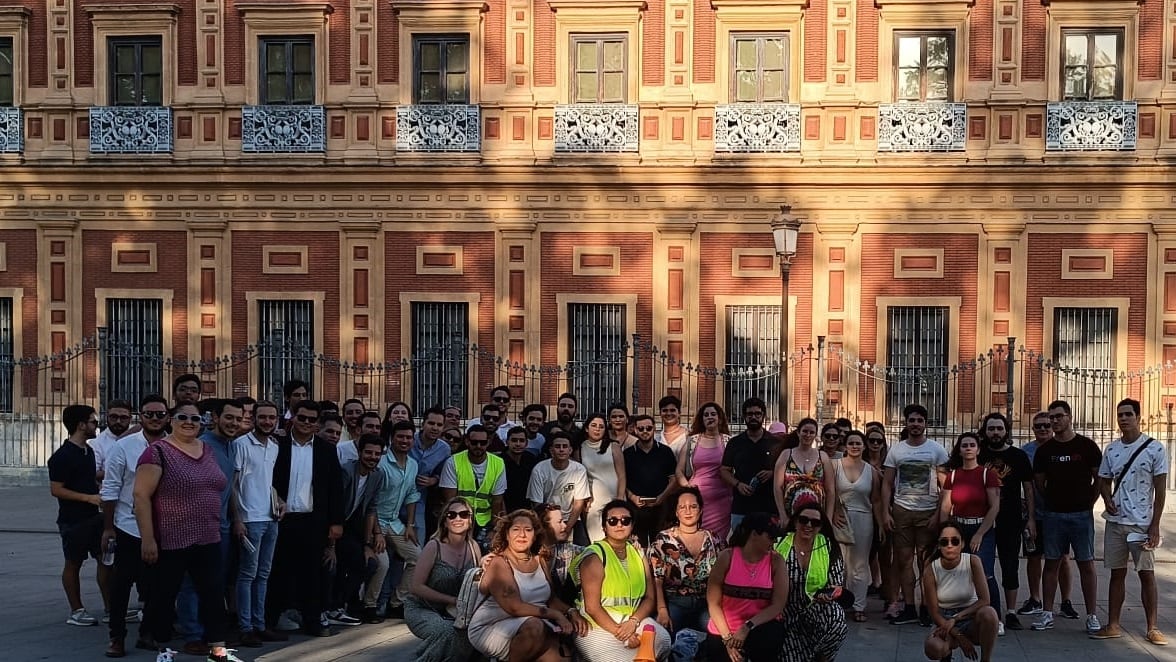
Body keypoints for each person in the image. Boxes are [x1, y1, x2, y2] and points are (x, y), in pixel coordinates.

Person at [132, 402, 243, 662]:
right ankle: (164, 649)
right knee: (165, 594)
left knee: (213, 595)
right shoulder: (158, 452)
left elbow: (220, 486)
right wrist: (147, 539)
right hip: (173, 539)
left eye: (195, 418)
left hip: (208, 536)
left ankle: (218, 650)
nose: (189, 422)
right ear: (171, 419)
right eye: (182, 417)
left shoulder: (206, 449)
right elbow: (140, 496)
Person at [1090, 398, 1168, 645]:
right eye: (1120, 415)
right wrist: (1106, 497)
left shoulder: (1155, 449)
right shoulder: (1111, 449)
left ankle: (1152, 626)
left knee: (1147, 574)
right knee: (1117, 573)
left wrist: (1155, 525)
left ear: (1138, 417)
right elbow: (1103, 479)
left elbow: (1161, 490)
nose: (1123, 419)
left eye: (1128, 414)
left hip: (1142, 523)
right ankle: (1113, 624)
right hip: (1116, 522)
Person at [267, 400, 345, 637]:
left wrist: (336, 522)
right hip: (281, 518)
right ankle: (270, 620)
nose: (306, 423)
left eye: (312, 420)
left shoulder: (326, 449)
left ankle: (313, 621)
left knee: (313, 574)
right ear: (293, 418)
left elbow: (335, 488)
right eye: (302, 418)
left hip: (313, 520)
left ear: (317, 423)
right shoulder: (277, 444)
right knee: (277, 571)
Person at [468, 509, 586, 662]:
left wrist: (571, 611)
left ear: (535, 534)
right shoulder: (499, 563)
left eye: (528, 530)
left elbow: (550, 599)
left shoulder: (539, 560)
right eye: (516, 529)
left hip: (534, 623)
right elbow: (514, 607)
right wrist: (556, 615)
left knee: (562, 657)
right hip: (492, 626)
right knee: (534, 628)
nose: (522, 535)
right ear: (507, 534)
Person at [100, 395, 166, 657]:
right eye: (149, 414)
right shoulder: (124, 447)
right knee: (122, 584)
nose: (155, 418)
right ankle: (117, 636)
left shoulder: (174, 445)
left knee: (156, 585)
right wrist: (108, 527)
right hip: (129, 525)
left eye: (160, 414)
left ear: (167, 417)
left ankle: (147, 633)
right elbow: (111, 487)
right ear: (142, 416)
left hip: (163, 526)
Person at [1031, 399, 1102, 634]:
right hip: (1053, 516)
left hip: (1082, 516)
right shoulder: (1045, 451)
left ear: (1069, 417)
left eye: (1058, 416)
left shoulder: (1087, 447)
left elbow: (1098, 479)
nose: (1054, 421)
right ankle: (1047, 613)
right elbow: (1039, 483)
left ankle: (1092, 615)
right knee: (1051, 563)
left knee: (1086, 564)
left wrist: (1089, 502)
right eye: (1051, 417)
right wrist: (1053, 500)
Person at [569, 500, 671, 662]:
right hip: (596, 623)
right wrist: (623, 634)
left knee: (663, 640)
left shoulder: (638, 554)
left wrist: (633, 622)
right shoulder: (595, 555)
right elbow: (592, 608)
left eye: (625, 520)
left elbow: (649, 598)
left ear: (632, 525)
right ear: (604, 527)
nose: (619, 525)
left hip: (631, 619)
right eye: (612, 521)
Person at [178, 398, 242, 654]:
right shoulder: (202, 445)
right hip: (198, 525)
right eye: (229, 417)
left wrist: (236, 518)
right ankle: (192, 634)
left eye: (238, 419)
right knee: (192, 581)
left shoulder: (231, 446)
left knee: (215, 582)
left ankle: (209, 631)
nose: (233, 423)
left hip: (223, 525)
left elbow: (231, 487)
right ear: (215, 417)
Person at [882, 403, 949, 625]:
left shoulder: (937, 450)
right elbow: (887, 484)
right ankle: (909, 607)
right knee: (903, 561)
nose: (916, 424)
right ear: (906, 423)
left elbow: (945, 486)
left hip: (927, 512)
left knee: (926, 562)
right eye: (912, 420)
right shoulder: (896, 450)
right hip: (902, 511)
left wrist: (939, 514)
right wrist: (886, 512)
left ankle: (926, 608)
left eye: (920, 420)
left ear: (925, 424)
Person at [229, 400, 286, 648]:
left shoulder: (274, 446)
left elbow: (267, 481)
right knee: (247, 574)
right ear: (253, 419)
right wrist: (238, 518)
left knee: (263, 574)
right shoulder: (240, 445)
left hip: (271, 518)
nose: (267, 422)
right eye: (262, 417)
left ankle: (260, 625)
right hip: (250, 520)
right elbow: (232, 484)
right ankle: (245, 628)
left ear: (277, 420)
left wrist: (279, 501)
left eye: (271, 418)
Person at [49, 403, 110, 627]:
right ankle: (76, 610)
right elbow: (56, 489)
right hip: (73, 519)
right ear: (81, 425)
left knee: (105, 559)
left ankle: (110, 607)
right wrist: (88, 498)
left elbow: (89, 477)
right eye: (93, 422)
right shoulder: (62, 456)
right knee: (73, 563)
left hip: (95, 516)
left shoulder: (89, 450)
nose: (97, 425)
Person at [977, 411, 1036, 631]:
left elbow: (1028, 489)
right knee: (982, 566)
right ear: (985, 431)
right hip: (981, 519)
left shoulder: (1019, 456)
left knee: (1010, 565)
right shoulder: (978, 453)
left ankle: (1011, 612)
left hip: (1010, 518)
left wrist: (1031, 519)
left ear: (1006, 431)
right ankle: (987, 609)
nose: (995, 433)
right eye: (991, 429)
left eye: (999, 428)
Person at [404, 497, 482, 662]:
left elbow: (477, 582)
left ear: (470, 520)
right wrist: (453, 600)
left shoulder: (474, 547)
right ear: (445, 522)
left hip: (456, 611)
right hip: (422, 608)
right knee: (447, 632)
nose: (458, 519)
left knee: (475, 634)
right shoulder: (434, 546)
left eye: (463, 514)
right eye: (451, 515)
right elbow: (416, 587)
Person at [650, 487, 723, 661]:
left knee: (721, 635)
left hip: (707, 603)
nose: (688, 511)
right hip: (675, 602)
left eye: (693, 506)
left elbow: (722, 577)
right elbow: (657, 578)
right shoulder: (663, 539)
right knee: (659, 637)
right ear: (676, 512)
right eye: (683, 507)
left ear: (701, 509)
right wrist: (661, 609)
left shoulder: (714, 539)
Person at [1018, 411, 1078, 621]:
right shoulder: (1025, 452)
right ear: (1033, 429)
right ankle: (1035, 599)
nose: (1042, 429)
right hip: (1032, 514)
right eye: (1038, 426)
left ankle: (1066, 601)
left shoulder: (1062, 448)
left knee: (1062, 557)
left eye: (1046, 425)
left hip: (1057, 513)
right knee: (1033, 557)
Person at [705, 512, 788, 662]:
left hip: (759, 625)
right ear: (754, 534)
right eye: (770, 537)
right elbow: (713, 603)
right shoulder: (727, 557)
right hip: (726, 627)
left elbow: (778, 605)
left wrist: (747, 626)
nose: (774, 541)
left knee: (769, 641)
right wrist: (727, 639)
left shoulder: (776, 561)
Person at [939, 432, 1003, 624]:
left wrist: (980, 534)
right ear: (959, 450)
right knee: (958, 572)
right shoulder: (954, 475)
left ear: (978, 449)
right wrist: (944, 532)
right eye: (964, 445)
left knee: (985, 572)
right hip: (958, 527)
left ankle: (995, 617)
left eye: (971, 445)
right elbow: (945, 505)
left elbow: (995, 506)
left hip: (981, 527)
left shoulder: (987, 474)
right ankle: (961, 614)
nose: (968, 448)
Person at [774, 504, 849, 661]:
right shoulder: (778, 543)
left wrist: (829, 595)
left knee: (835, 615)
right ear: (795, 522)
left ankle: (824, 658)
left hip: (814, 610)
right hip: (781, 613)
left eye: (814, 523)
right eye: (803, 520)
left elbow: (837, 586)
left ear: (820, 527)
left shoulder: (829, 546)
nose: (808, 525)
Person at [922, 521, 1000, 662]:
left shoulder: (972, 561)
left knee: (990, 613)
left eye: (955, 541)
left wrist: (956, 618)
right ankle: (946, 656)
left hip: (970, 616)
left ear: (962, 544)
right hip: (943, 619)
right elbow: (933, 613)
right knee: (933, 648)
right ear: (939, 545)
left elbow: (985, 600)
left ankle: (986, 659)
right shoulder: (931, 569)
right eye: (945, 542)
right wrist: (959, 636)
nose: (950, 545)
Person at [332, 433, 386, 625]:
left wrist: (368, 543)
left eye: (377, 454)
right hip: (335, 525)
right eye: (368, 452)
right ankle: (334, 608)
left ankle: (340, 605)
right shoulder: (347, 471)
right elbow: (334, 505)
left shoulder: (378, 475)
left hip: (354, 527)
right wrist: (330, 543)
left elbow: (371, 509)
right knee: (345, 564)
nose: (372, 457)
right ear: (359, 452)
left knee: (369, 563)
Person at [374, 420, 422, 620]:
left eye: (409, 437)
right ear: (392, 438)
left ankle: (398, 602)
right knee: (382, 564)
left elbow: (411, 495)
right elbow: (371, 501)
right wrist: (376, 532)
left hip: (395, 522)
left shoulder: (413, 464)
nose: (404, 441)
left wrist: (410, 525)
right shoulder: (381, 463)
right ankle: (370, 605)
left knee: (417, 557)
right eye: (400, 437)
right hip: (375, 521)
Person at [833, 429, 882, 622]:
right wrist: (834, 511)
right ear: (845, 446)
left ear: (864, 446)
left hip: (863, 518)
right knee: (839, 563)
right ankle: (838, 603)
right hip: (839, 518)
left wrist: (880, 524)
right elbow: (828, 491)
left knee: (860, 564)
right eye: (851, 443)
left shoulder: (871, 471)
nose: (854, 446)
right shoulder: (834, 466)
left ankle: (859, 605)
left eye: (858, 443)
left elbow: (876, 500)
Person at [440, 424, 506, 551]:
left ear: (489, 442)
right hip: (459, 518)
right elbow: (450, 500)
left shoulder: (498, 463)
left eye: (483, 442)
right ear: (466, 441)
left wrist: (494, 529)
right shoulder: (453, 462)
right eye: (474, 442)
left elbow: (498, 500)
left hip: (484, 520)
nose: (479, 446)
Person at [675, 402, 732, 541]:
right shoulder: (692, 441)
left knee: (719, 540)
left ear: (720, 418)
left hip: (723, 501)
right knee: (698, 535)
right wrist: (687, 487)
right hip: (697, 499)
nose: (710, 417)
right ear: (702, 419)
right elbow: (679, 471)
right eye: (706, 415)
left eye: (713, 414)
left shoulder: (729, 441)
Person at [721, 397, 778, 533]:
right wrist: (737, 484)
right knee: (740, 547)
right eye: (749, 414)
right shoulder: (735, 443)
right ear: (744, 417)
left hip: (769, 506)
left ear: (764, 416)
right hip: (742, 506)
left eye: (757, 414)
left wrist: (772, 473)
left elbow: (786, 470)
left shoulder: (776, 442)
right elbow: (724, 470)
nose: (753, 417)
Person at [622, 414, 677, 546]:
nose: (645, 431)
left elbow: (674, 479)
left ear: (654, 429)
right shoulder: (627, 454)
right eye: (641, 429)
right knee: (637, 546)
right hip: (635, 507)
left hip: (661, 507)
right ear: (635, 430)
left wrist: (661, 498)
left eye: (648, 428)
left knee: (660, 544)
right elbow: (621, 479)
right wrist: (632, 497)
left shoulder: (666, 452)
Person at [527, 433, 591, 544]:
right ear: (551, 450)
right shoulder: (539, 469)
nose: (561, 450)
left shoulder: (579, 469)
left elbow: (578, 503)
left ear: (570, 450)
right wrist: (552, 526)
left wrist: (567, 529)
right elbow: (537, 504)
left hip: (571, 518)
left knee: (583, 550)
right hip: (547, 519)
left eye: (565, 446)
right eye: (557, 446)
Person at [773, 417, 836, 529]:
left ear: (815, 435)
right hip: (791, 515)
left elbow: (830, 490)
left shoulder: (823, 457)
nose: (808, 435)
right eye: (805, 431)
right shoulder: (786, 454)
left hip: (816, 518)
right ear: (798, 433)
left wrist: (828, 518)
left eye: (811, 432)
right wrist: (782, 515)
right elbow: (778, 487)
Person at [577, 414, 627, 543]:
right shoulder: (580, 448)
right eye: (594, 426)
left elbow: (621, 474)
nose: (597, 429)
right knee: (598, 541)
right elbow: (579, 476)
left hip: (615, 498)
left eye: (601, 427)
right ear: (587, 428)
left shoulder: (613, 446)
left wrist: (620, 498)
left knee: (617, 538)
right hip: (593, 503)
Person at [538, 503, 584, 606]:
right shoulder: (528, 553)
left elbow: (590, 552)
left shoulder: (566, 550)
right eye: (559, 522)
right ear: (544, 526)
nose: (564, 526)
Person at [92, 399, 133, 482]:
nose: (118, 421)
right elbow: (93, 473)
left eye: (123, 418)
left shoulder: (138, 439)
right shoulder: (97, 443)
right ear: (107, 417)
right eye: (114, 417)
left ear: (130, 419)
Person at [501, 425, 539, 512]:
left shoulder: (531, 459)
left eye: (521, 441)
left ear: (526, 443)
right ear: (507, 442)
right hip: (506, 508)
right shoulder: (500, 461)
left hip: (527, 509)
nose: (518, 444)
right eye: (514, 440)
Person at [654, 395, 689, 459]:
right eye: (665, 410)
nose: (668, 413)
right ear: (660, 413)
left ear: (679, 413)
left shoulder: (687, 436)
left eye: (672, 410)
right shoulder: (656, 438)